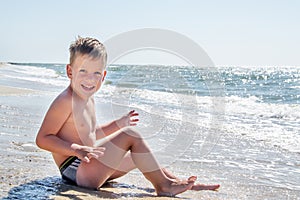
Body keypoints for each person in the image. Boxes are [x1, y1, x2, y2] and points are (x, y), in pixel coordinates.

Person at [35, 36, 220, 197]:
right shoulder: (65, 101)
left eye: (96, 73)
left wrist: (118, 124)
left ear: (103, 76)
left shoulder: (87, 99)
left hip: (87, 166)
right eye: (83, 71)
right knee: (131, 135)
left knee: (140, 156)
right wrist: (76, 150)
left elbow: (90, 135)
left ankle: (179, 183)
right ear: (70, 71)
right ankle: (164, 186)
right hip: (76, 170)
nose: (90, 79)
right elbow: (42, 139)